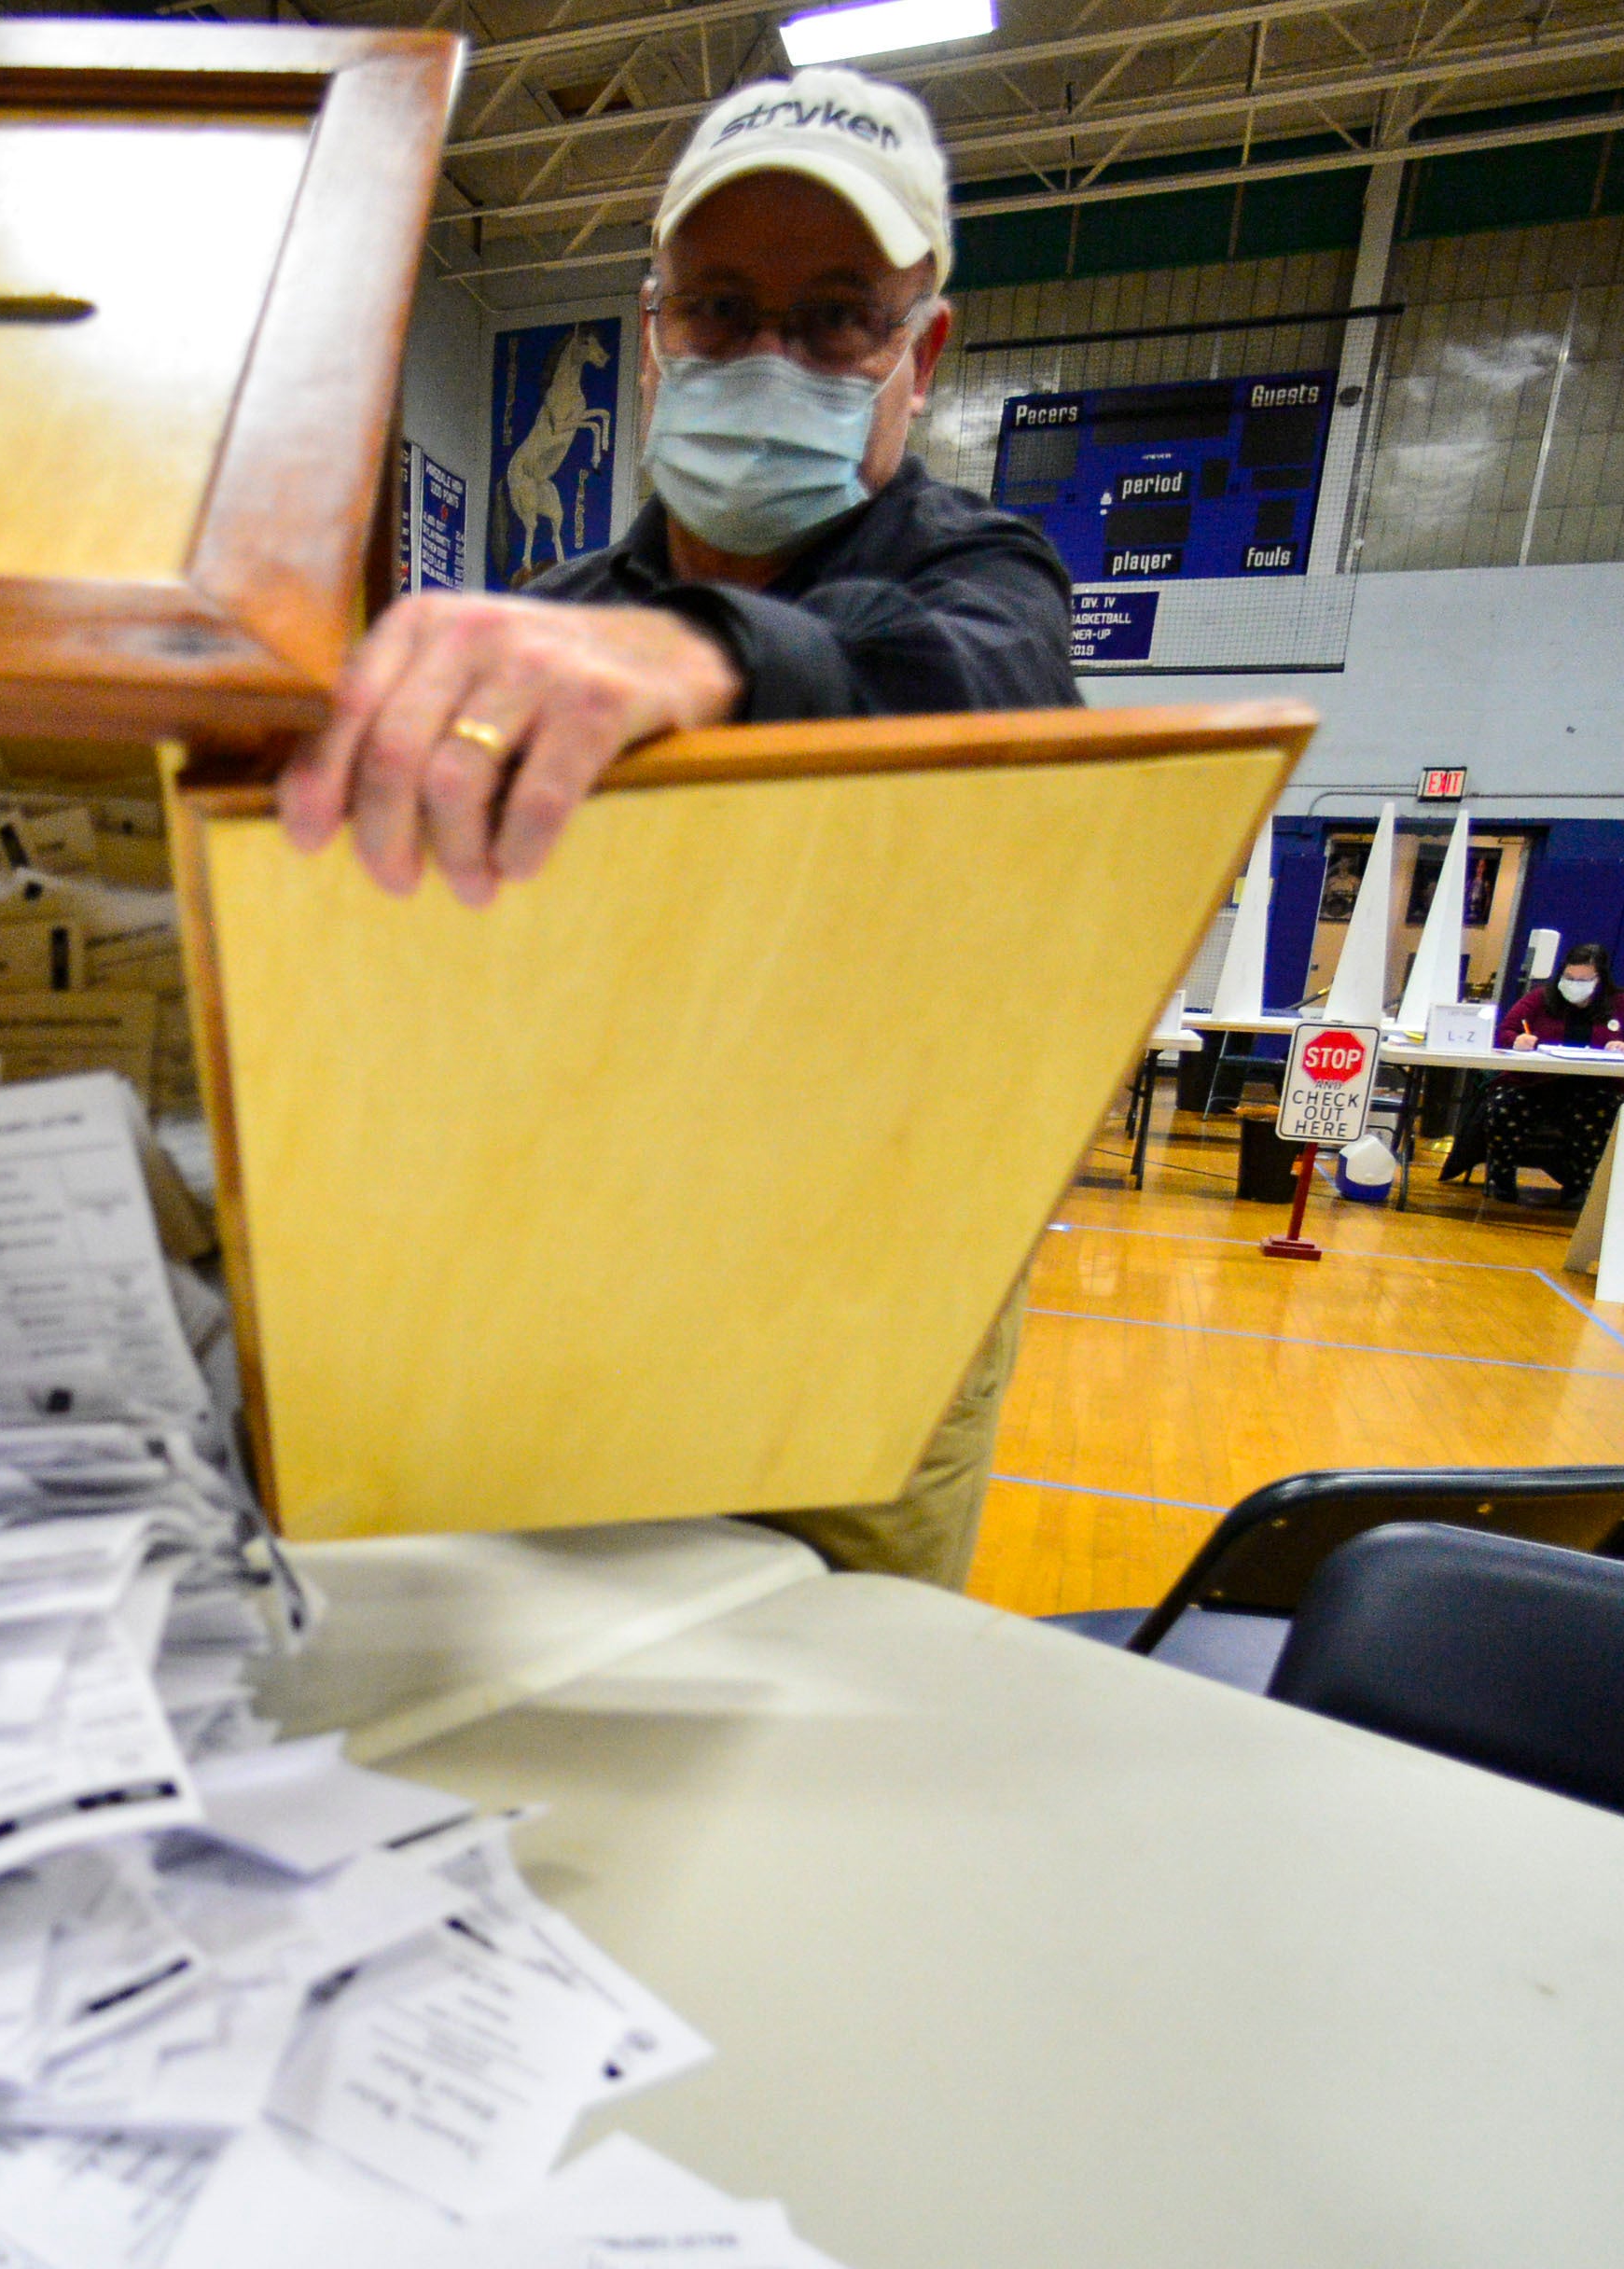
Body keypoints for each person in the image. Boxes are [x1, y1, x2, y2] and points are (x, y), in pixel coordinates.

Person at [273, 69, 1076, 1592]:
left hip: (869, 1311)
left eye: (835, 316)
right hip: (577, 1275)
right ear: (653, 334)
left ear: (923, 349)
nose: (768, 353)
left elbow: (985, 692)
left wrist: (713, 660)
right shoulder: (557, 621)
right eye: (718, 307)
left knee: (825, 1701)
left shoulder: (980, 578)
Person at [1463, 933, 1624, 1204]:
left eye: (1583, 980)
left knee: (1602, 1111)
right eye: (1569, 978)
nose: (1574, 985)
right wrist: (1517, 1040)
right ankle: (1503, 1177)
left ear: (1600, 980)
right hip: (1535, 1083)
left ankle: (1578, 1185)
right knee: (1503, 1106)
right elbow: (1504, 1031)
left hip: (1595, 1086)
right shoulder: (1540, 998)